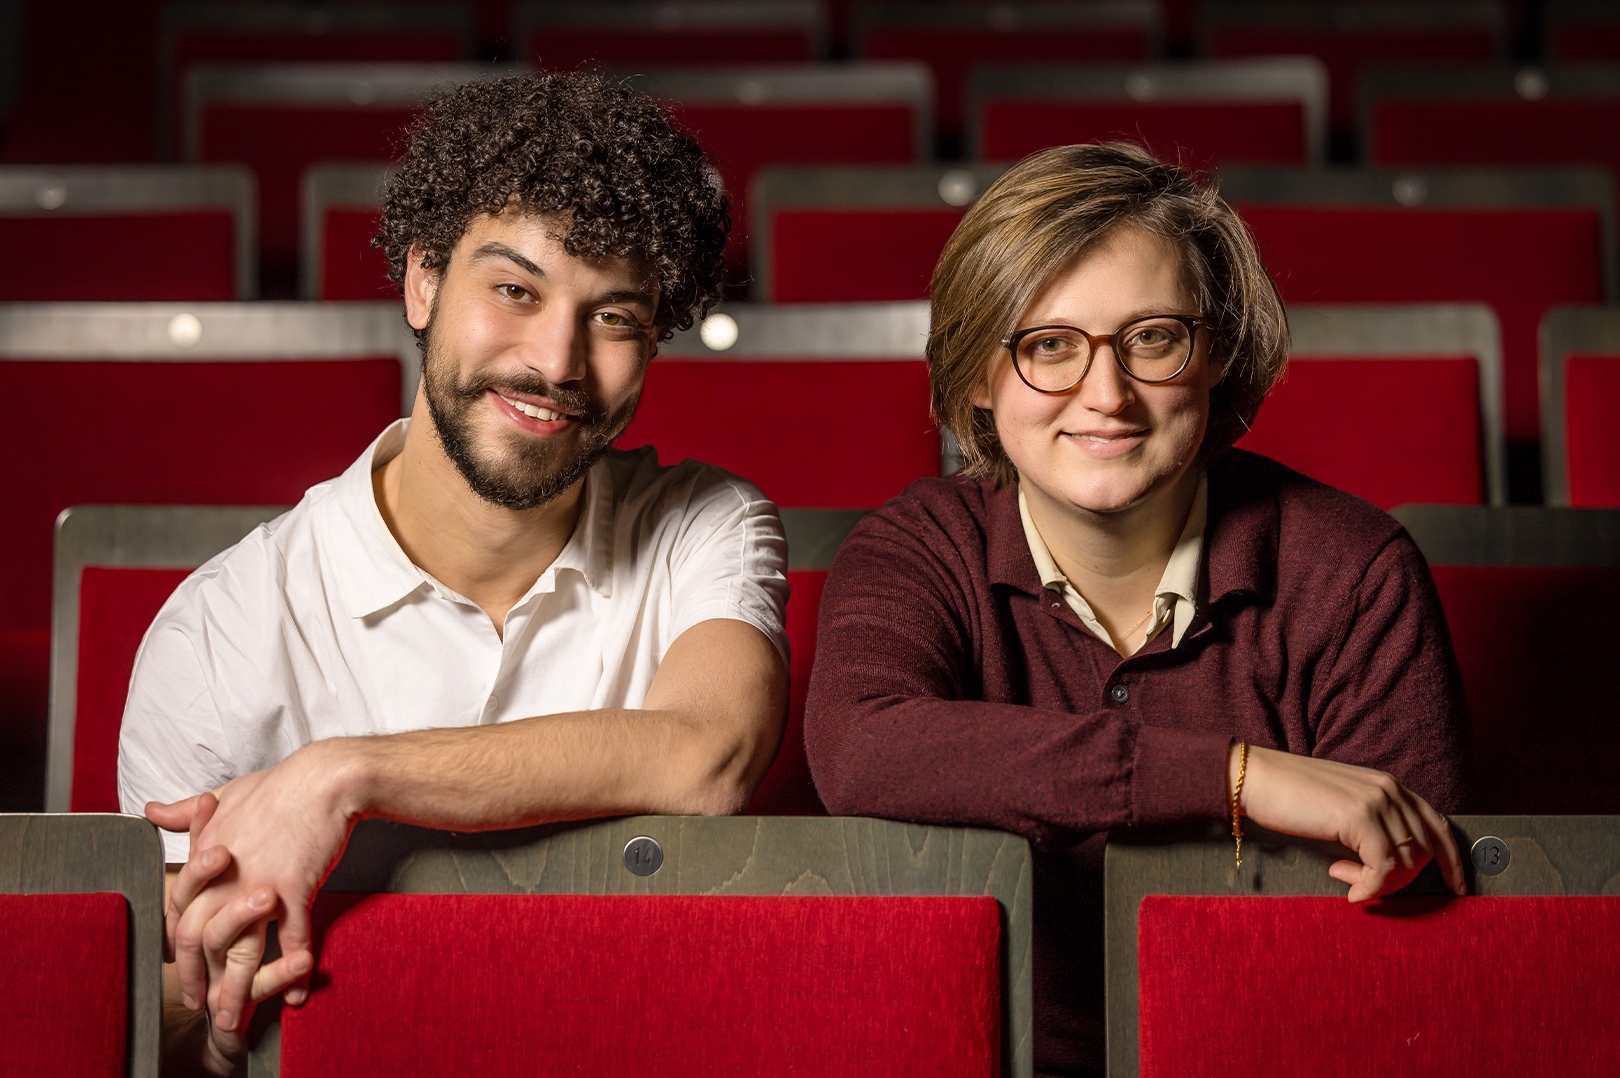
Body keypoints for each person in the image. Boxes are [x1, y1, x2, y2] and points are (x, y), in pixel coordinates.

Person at [118, 72, 788, 1076]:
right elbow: (166, 1026)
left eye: (613, 317)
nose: (557, 362)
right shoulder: (216, 632)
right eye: (515, 290)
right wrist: (203, 981)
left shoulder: (707, 524)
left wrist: (344, 773)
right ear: (423, 279)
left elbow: (706, 757)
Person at [802, 142, 1468, 1076]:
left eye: (1152, 337)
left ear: (1215, 356)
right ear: (980, 383)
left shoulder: (1355, 571)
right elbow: (864, 747)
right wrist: (1239, 777)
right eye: (1049, 346)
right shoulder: (918, 549)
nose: (1106, 395)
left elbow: (1391, 936)